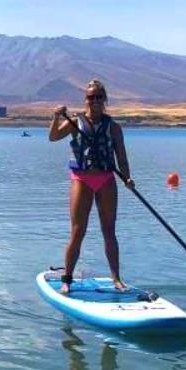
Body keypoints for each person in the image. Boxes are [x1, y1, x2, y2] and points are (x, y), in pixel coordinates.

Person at [49, 79, 133, 293]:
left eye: (98, 97)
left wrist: (127, 178)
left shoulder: (113, 127)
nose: (94, 101)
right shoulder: (75, 122)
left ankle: (116, 279)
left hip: (106, 180)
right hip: (82, 179)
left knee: (109, 231)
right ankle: (67, 279)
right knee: (78, 232)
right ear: (85, 99)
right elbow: (53, 136)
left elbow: (121, 156)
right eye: (90, 97)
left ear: (104, 99)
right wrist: (57, 116)